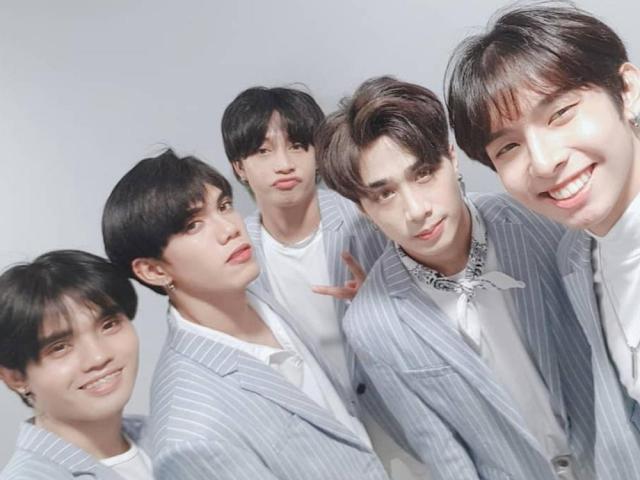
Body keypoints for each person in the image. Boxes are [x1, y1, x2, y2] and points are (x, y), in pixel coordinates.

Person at [315, 76, 594, 480]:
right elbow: (444, 454)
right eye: (385, 194)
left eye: (424, 173)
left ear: (451, 158)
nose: (416, 210)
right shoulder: (371, 325)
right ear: (362, 208)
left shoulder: (543, 222)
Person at [102, 149, 389, 480]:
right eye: (193, 225)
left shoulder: (256, 289)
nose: (230, 228)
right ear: (153, 271)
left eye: (224, 206)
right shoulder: (191, 435)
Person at [446, 4, 640, 478]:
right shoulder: (577, 255)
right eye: (508, 147)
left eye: (561, 113)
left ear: (628, 90)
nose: (544, 160)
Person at [221, 87, 387, 393]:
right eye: (263, 151)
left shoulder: (367, 218)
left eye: (297, 146)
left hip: (392, 403)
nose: (284, 164)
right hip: (313, 413)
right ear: (239, 167)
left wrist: (382, 302)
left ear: (317, 154)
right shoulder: (236, 256)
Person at [0, 250, 151, 480]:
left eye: (109, 325)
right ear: (16, 378)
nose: (98, 357)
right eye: (59, 347)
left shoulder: (170, 434)